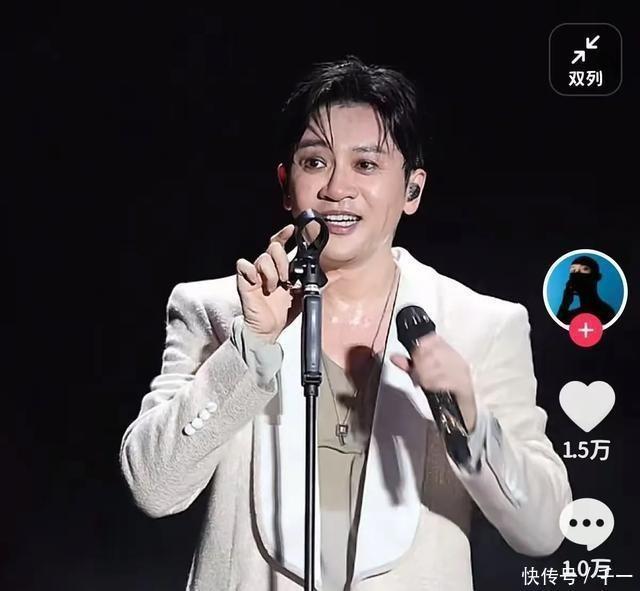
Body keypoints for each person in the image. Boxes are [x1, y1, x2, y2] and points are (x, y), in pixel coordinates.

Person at [119, 55, 573, 591]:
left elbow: (543, 531)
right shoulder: (215, 310)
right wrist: (251, 346)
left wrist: (467, 418)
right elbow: (153, 487)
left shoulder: (479, 325)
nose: (337, 187)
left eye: (366, 165)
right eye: (315, 162)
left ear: (412, 190)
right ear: (286, 184)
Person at [556, 255, 616, 325]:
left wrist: (564, 306)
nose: (576, 274)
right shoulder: (571, 315)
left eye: (585, 269)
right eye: (573, 270)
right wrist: (564, 305)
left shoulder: (606, 313)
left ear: (597, 277)